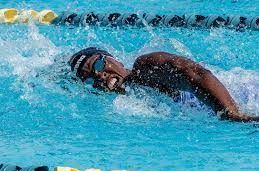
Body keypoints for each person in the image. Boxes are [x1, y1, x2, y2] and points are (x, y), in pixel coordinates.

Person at [69, 47, 259, 122]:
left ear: (112, 58)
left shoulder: (145, 67)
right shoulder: (128, 104)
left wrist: (231, 114)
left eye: (98, 64)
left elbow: (197, 74)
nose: (100, 75)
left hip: (249, 93)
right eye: (90, 80)